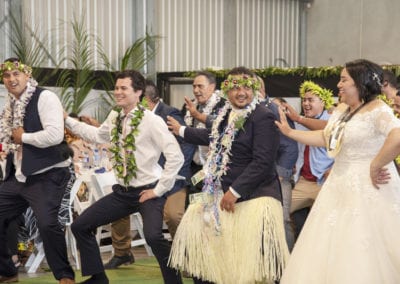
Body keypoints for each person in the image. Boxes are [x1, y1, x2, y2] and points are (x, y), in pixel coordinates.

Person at [276, 59, 400, 283]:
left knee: (362, 246)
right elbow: (326, 138)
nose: (339, 85)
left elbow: (397, 135)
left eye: (344, 79)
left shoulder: (378, 109)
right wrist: (290, 133)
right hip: (338, 185)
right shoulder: (343, 109)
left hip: (368, 187)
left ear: (360, 82)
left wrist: (376, 164)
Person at [168, 67, 288, 284]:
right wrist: (183, 131)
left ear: (254, 89)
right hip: (222, 192)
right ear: (226, 91)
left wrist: (234, 191)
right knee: (202, 249)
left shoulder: (262, 116)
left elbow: (262, 162)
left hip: (256, 197)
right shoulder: (227, 114)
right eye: (235, 88)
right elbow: (214, 135)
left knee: (258, 267)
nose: (240, 92)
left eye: (245, 87)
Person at [65, 70, 184, 284]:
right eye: (117, 88)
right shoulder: (115, 116)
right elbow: (97, 135)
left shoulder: (152, 121)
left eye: (123, 88)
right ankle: (98, 278)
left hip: (149, 191)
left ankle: (174, 281)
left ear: (138, 92)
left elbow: (176, 157)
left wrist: (158, 190)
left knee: (154, 237)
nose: (118, 92)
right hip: (123, 192)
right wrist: (68, 121)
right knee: (80, 226)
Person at [103, 79, 195, 270]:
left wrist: (166, 177)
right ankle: (122, 253)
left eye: (124, 89)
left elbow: (183, 149)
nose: (119, 94)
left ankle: (185, 257)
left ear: (143, 97)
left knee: (173, 215)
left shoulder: (169, 114)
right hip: (140, 179)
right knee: (117, 209)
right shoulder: (125, 116)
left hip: (172, 178)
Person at [0, 58, 75, 284]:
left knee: (47, 223)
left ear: (27, 75)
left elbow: (55, 135)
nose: (12, 79)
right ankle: (7, 271)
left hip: (48, 173)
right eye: (6, 76)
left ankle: (65, 277)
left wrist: (23, 137)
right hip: (21, 175)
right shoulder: (9, 104)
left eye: (16, 74)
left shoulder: (45, 97)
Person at [257, 77, 298, 251]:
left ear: (261, 91)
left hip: (277, 175)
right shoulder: (243, 112)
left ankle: (286, 265)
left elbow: (290, 145)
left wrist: (280, 174)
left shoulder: (273, 109)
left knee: (282, 219)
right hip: (255, 176)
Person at [289, 81, 335, 239]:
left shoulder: (333, 119)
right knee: (281, 210)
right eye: (304, 100)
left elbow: (328, 130)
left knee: (324, 225)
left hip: (326, 182)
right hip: (304, 181)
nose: (306, 103)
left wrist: (333, 170)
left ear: (323, 102)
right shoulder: (299, 122)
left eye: (311, 100)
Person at [182, 71, 225, 198]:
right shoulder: (189, 106)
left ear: (212, 87)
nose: (196, 90)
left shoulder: (223, 105)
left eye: (200, 86)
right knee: (192, 204)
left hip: (215, 166)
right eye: (194, 86)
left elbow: (220, 128)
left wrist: (198, 115)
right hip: (193, 166)